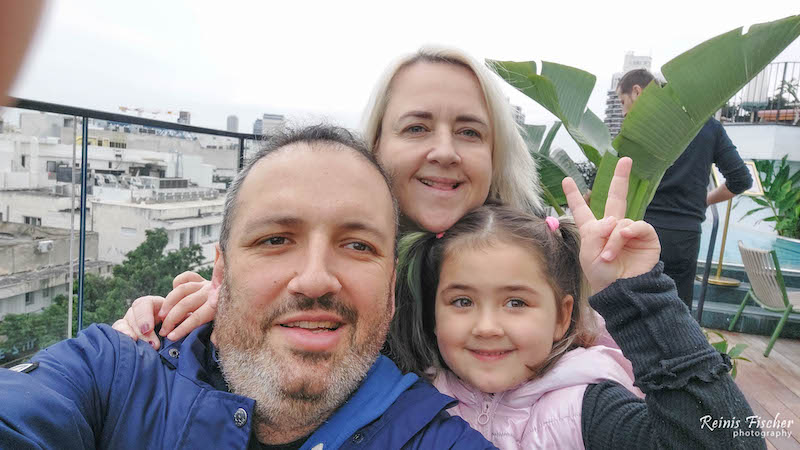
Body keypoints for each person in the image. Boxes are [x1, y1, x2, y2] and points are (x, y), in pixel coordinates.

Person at [0, 125, 496, 449]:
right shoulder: (114, 373)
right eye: (276, 239)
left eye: (358, 246)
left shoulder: (437, 438)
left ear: (392, 290)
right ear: (220, 273)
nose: (316, 278)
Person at [113, 46, 544, 348]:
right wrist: (234, 298)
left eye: (469, 132)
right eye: (417, 128)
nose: (445, 151)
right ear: (374, 147)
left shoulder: (544, 271)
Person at [387, 163, 763, 449]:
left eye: (516, 302)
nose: (487, 326)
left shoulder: (585, 408)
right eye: (462, 301)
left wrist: (639, 295)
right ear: (433, 315)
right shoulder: (412, 398)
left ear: (562, 317)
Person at [616, 68, 753, 311]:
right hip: (685, 236)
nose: (624, 111)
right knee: (678, 312)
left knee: (638, 310)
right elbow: (741, 179)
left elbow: (618, 182)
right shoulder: (708, 126)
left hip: (641, 230)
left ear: (637, 91)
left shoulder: (636, 129)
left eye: (622, 102)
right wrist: (706, 201)